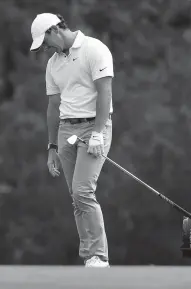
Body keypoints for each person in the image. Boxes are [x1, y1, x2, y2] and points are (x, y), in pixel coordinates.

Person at [30, 13, 114, 268]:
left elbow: (105, 92)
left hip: (94, 126)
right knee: (75, 196)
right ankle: (91, 257)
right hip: (66, 131)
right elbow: (53, 106)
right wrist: (52, 146)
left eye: (45, 43)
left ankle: (99, 255)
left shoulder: (94, 49)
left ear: (55, 30)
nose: (45, 49)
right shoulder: (53, 64)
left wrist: (98, 132)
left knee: (83, 191)